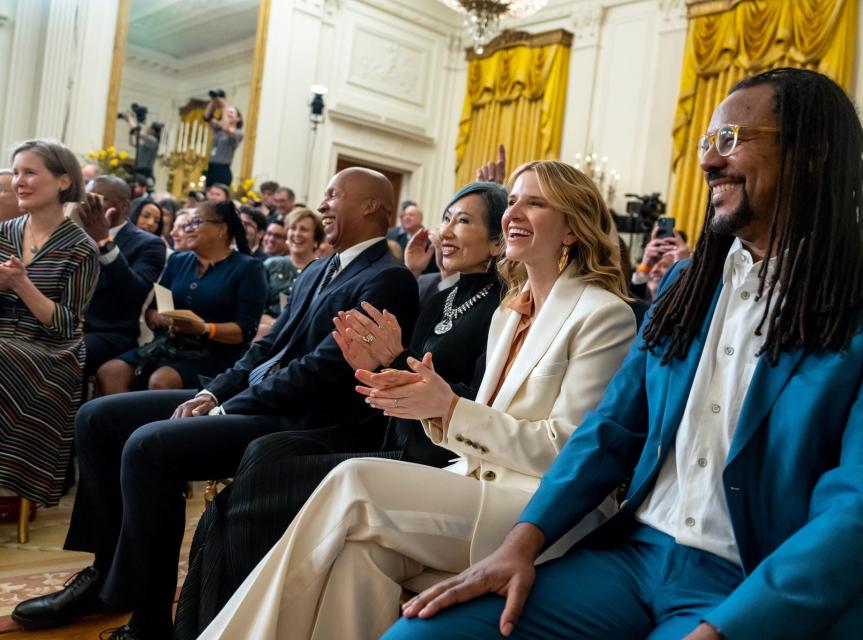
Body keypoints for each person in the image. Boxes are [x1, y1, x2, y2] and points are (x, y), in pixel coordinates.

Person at [385, 68, 863, 640]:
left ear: (811, 154)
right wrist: (521, 543)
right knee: (419, 634)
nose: (707, 162)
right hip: (635, 560)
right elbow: (610, 429)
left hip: (759, 584)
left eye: (731, 140)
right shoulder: (687, 282)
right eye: (708, 142)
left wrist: (724, 630)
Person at [196, 160, 637, 640]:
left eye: (535, 202)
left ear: (572, 226)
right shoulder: (508, 314)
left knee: (354, 479)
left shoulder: (604, 315)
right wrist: (424, 403)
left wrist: (448, 408)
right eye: (512, 200)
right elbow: (475, 423)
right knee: (360, 557)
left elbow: (568, 451)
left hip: (536, 511)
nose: (514, 212)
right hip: (471, 481)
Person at [11, 167, 419, 640]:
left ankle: (148, 623)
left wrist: (229, 407)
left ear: (371, 205)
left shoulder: (389, 280)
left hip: (305, 419)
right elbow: (264, 349)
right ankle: (104, 574)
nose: (323, 205)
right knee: (98, 417)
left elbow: (323, 372)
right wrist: (213, 392)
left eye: (333, 195)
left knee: (149, 447)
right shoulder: (320, 269)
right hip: (260, 399)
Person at [173, 181, 508, 638]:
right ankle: (199, 624)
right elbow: (398, 376)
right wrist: (377, 365)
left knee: (261, 483)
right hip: (390, 432)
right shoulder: (440, 295)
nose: (445, 231)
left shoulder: (501, 308)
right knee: (264, 455)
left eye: (463, 221)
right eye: (446, 218)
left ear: (497, 241)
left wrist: (391, 361)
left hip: (432, 454)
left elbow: (473, 399)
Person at [0, 139, 99, 506]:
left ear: (62, 181)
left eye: (30, 172)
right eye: (16, 173)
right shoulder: (4, 232)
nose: (18, 182)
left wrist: (22, 284)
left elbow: (66, 326)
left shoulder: (81, 247)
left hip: (49, 349)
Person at [95, 200, 266, 394]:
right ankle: (122, 425)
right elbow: (151, 310)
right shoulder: (178, 261)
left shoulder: (248, 268)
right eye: (186, 225)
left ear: (222, 228)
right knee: (110, 372)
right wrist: (159, 317)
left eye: (195, 223)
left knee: (161, 380)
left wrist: (203, 328)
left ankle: (153, 425)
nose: (187, 230)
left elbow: (244, 331)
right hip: (169, 345)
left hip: (215, 354)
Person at [79, 176, 166, 376]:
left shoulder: (148, 243)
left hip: (109, 333)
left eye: (97, 198)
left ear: (123, 206)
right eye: (86, 198)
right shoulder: (75, 233)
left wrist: (104, 242)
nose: (88, 204)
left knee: (67, 353)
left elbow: (135, 291)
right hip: (67, 324)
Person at [257, 208, 321, 338]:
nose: (297, 233)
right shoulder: (271, 265)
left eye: (304, 229)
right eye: (293, 228)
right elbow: (256, 305)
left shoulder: (324, 271)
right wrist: (273, 324)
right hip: (266, 332)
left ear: (316, 238)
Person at [631, 232, 691, 300]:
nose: (655, 270)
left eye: (664, 266)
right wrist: (645, 265)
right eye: (651, 266)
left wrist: (683, 264)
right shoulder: (640, 302)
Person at [203, 98, 243, 187]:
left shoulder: (238, 133)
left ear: (238, 119)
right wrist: (213, 102)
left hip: (222, 169)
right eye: (227, 112)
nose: (228, 113)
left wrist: (225, 106)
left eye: (232, 112)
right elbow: (207, 117)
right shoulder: (218, 130)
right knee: (208, 193)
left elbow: (226, 128)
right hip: (211, 167)